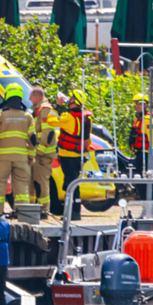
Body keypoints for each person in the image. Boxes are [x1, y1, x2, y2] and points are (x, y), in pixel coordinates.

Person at [0, 84, 36, 216]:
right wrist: (31, 155)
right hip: (21, 158)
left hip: (2, 158)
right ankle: (23, 215)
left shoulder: (1, 114)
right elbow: (33, 138)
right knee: (22, 187)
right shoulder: (27, 116)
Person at [55, 89, 92, 220]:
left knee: (71, 184)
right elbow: (87, 139)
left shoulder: (68, 117)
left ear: (75, 102)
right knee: (73, 183)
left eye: (71, 98)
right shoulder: (86, 118)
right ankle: (72, 211)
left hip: (67, 156)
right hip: (79, 156)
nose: (69, 99)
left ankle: (74, 213)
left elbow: (50, 120)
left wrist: (57, 106)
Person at [29, 86, 60, 218]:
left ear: (37, 97)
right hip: (37, 153)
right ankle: (31, 209)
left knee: (42, 182)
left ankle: (44, 211)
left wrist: (40, 151)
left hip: (42, 154)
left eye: (31, 97)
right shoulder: (38, 110)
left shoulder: (45, 109)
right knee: (33, 182)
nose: (30, 100)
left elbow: (48, 132)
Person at [128, 93, 153, 198]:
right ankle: (145, 209)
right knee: (140, 183)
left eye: (139, 103)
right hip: (140, 153)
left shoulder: (148, 120)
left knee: (148, 183)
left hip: (147, 155)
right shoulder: (139, 119)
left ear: (145, 105)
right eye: (136, 104)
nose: (137, 106)